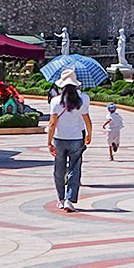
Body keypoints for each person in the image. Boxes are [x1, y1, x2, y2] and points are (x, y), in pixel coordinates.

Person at [47, 69, 93, 211]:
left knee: (59, 169)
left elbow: (52, 123)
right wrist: (89, 134)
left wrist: (49, 142)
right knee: (75, 169)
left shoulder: (55, 101)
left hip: (59, 139)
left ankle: (60, 198)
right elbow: (87, 119)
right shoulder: (84, 99)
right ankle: (69, 199)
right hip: (76, 139)